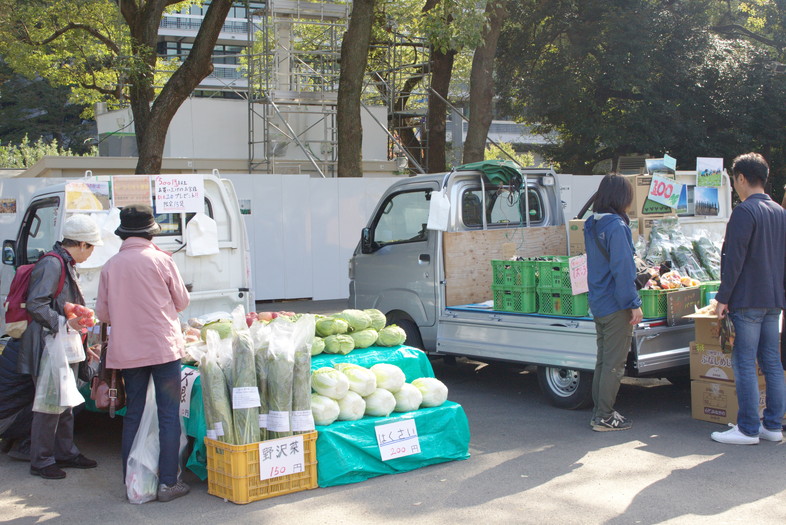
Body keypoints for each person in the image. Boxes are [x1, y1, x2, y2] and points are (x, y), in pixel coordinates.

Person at [95, 204, 191, 502]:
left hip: (128, 353)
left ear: (124, 234)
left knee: (133, 414)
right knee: (168, 416)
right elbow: (182, 301)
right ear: (151, 233)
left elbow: (102, 313)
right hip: (163, 349)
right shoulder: (162, 260)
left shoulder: (110, 265)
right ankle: (167, 483)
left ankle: (133, 482)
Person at [18, 214, 102, 479]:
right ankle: (41, 460)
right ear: (82, 244)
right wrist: (67, 323)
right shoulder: (53, 265)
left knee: (65, 402)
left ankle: (65, 452)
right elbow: (36, 304)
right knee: (49, 404)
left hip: (60, 343)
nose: (92, 252)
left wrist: (74, 330)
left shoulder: (64, 263)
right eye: (92, 247)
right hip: (47, 346)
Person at [711, 152, 786, 445]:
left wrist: (722, 297)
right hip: (773, 299)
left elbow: (734, 259)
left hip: (747, 298)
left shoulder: (744, 212)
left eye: (735, 181)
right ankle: (772, 426)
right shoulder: (780, 212)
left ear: (741, 179)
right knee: (771, 362)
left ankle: (747, 428)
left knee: (743, 361)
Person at [584, 174, 643, 432]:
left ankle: (600, 412)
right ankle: (604, 417)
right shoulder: (617, 226)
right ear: (621, 197)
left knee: (603, 361)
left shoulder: (591, 223)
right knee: (614, 364)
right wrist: (634, 302)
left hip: (598, 300)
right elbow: (623, 268)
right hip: (616, 303)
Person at [0, 338, 34, 460]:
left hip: (5, 412)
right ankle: (24, 445)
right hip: (5, 420)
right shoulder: (35, 348)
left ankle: (10, 439)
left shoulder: (15, 341)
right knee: (63, 401)